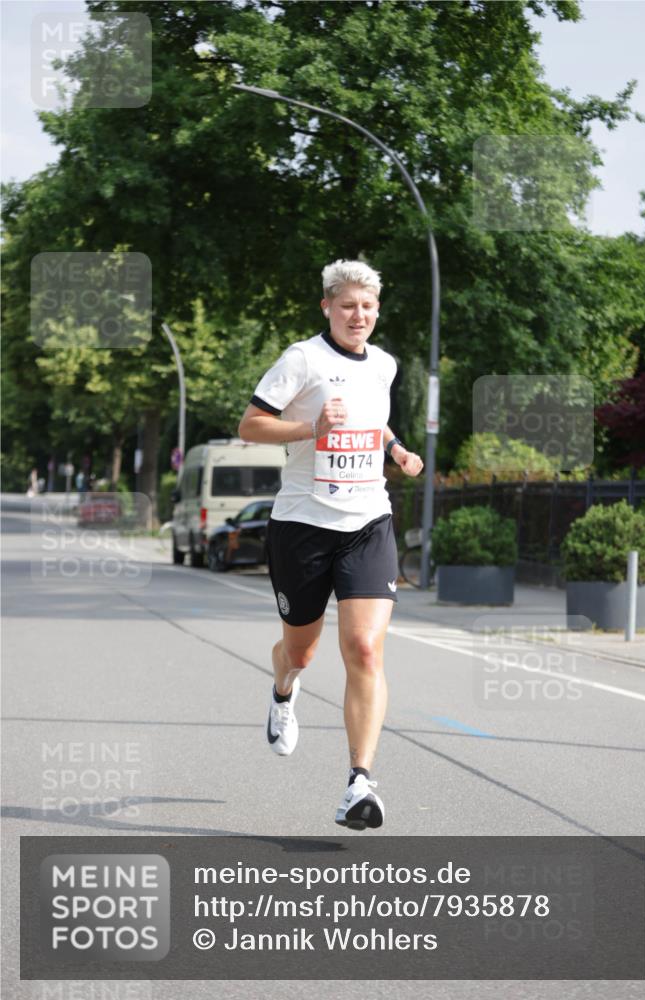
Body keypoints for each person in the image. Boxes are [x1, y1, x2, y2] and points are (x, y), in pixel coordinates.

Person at [238, 259, 423, 830]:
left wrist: (397, 451)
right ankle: (283, 689)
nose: (358, 316)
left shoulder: (384, 365)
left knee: (365, 650)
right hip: (302, 525)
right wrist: (310, 429)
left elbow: (375, 420)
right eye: (347, 306)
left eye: (367, 307)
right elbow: (250, 425)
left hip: (368, 521)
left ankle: (359, 782)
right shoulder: (302, 359)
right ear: (327, 307)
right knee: (301, 652)